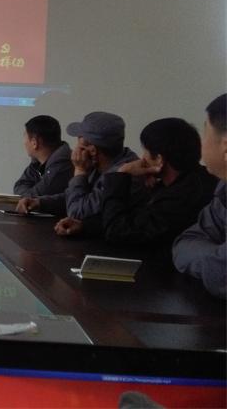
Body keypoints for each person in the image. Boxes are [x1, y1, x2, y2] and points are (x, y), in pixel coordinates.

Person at [53, 118, 218, 248]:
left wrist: (120, 176)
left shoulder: (183, 195)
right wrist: (85, 226)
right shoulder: (180, 182)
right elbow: (136, 220)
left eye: (145, 151)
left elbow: (120, 233)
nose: (142, 158)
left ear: (159, 159)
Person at [17, 111, 146, 218]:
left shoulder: (123, 175)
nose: (75, 147)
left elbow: (77, 212)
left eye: (79, 139)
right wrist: (40, 203)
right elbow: (75, 197)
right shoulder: (100, 165)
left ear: (92, 150)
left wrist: (79, 171)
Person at [172, 94, 226, 298]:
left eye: (205, 134)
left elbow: (223, 276)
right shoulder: (224, 189)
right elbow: (186, 242)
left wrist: (217, 262)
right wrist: (216, 258)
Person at [13, 115, 73, 197]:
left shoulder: (62, 165)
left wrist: (26, 195)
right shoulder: (37, 162)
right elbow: (19, 186)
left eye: (25, 137)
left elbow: (34, 197)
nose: (24, 142)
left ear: (34, 143)